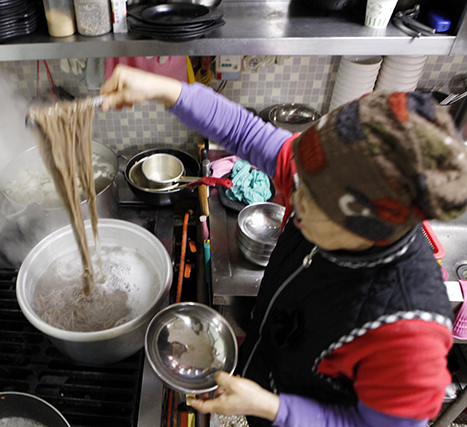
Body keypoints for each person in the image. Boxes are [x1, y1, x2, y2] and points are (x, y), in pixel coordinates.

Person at [99, 64, 467, 427]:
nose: (292, 192)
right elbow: (245, 133)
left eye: (311, 198)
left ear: (365, 226)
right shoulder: (326, 185)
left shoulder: (409, 336)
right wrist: (168, 90)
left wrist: (274, 409)